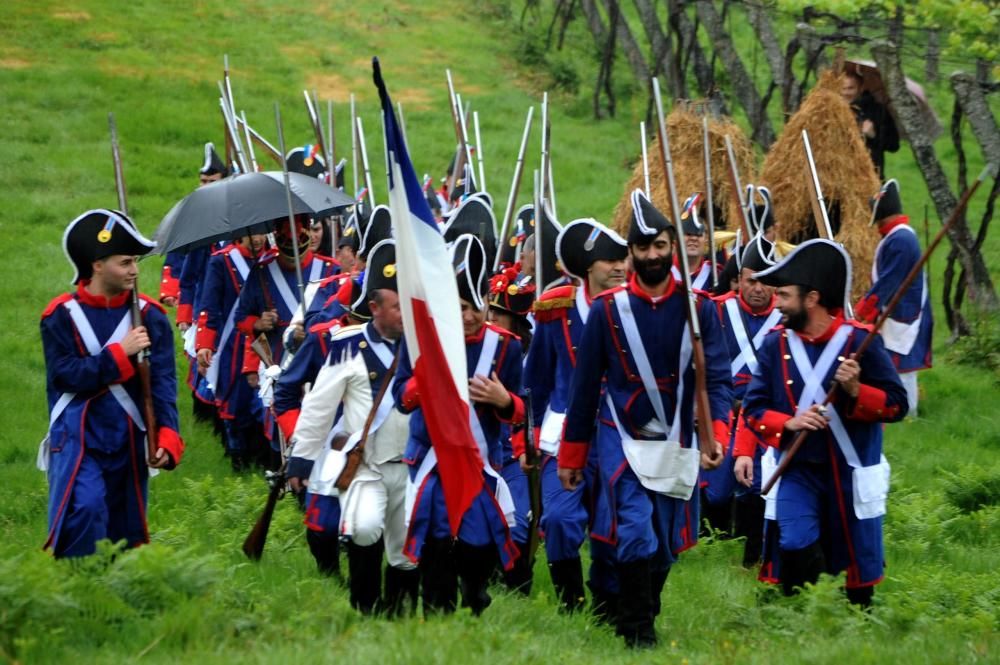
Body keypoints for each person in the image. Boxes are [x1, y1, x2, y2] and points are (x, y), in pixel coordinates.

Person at [558, 190, 731, 648]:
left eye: (660, 246)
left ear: (672, 247)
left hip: (677, 437)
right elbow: (583, 388)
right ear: (631, 253)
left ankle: (637, 607)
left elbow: (716, 381)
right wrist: (572, 455)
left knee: (665, 545)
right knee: (634, 531)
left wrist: (717, 434)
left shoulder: (702, 309)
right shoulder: (608, 310)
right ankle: (638, 633)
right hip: (622, 436)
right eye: (643, 247)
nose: (652, 255)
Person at [735, 239, 907, 607]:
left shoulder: (861, 341)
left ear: (811, 298)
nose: (775, 302)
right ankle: (805, 611)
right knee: (794, 541)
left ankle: (851, 622)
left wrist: (858, 390)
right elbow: (754, 409)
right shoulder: (772, 346)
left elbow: (897, 405)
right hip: (798, 467)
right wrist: (790, 422)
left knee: (853, 562)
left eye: (783, 295)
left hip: (848, 470)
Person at [40, 209, 185, 558]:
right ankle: (80, 590)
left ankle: (116, 597)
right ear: (97, 264)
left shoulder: (151, 316)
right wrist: (121, 355)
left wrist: (167, 435)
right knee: (85, 510)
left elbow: (163, 382)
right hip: (78, 435)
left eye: (135, 261)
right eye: (125, 262)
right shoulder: (60, 315)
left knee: (125, 529)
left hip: (127, 434)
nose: (134, 271)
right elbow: (65, 376)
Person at [395, 234, 524, 617]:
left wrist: (503, 401)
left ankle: (475, 591)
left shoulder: (506, 346)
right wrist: (428, 377)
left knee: (479, 541)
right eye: (461, 307)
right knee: (435, 537)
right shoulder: (420, 340)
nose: (469, 317)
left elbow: (520, 411)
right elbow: (403, 397)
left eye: (476, 306)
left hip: (479, 460)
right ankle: (437, 610)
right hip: (431, 456)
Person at [288, 240, 419, 616]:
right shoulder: (347, 346)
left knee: (405, 548)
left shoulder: (425, 347)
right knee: (363, 528)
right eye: (396, 307)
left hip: (411, 466)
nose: (403, 314)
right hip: (366, 466)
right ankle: (365, 606)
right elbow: (318, 407)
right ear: (374, 308)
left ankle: (401, 615)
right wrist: (301, 460)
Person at [523, 218, 628, 617]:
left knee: (611, 528)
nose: (619, 267)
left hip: (618, 436)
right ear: (588, 267)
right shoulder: (555, 310)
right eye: (609, 260)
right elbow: (537, 381)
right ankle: (571, 603)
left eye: (622, 259)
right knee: (561, 520)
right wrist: (527, 440)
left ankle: (607, 606)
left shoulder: (631, 307)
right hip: (563, 434)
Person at [701, 237, 783, 565]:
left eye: (765, 280)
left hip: (767, 415)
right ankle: (709, 541)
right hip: (727, 411)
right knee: (716, 491)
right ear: (739, 279)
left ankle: (753, 557)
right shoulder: (717, 310)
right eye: (751, 280)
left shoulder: (787, 314)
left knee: (759, 486)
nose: (758, 288)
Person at [855, 179, 932, 416]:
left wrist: (864, 310)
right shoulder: (898, 237)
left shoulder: (900, 239)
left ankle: (908, 413)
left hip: (904, 313)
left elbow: (889, 281)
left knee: (903, 367)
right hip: (897, 310)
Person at [194, 234, 267, 471]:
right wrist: (204, 344)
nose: (256, 239)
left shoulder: (271, 261)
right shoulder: (221, 262)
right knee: (233, 405)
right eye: (250, 233)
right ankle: (238, 459)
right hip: (231, 346)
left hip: (264, 344)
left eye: (260, 232)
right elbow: (210, 307)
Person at [840, 69, 899, 177]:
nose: (845, 93)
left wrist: (873, 135)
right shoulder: (832, 112)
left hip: (871, 177)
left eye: (850, 88)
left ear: (861, 88)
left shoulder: (878, 110)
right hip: (841, 177)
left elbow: (894, 145)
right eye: (842, 89)